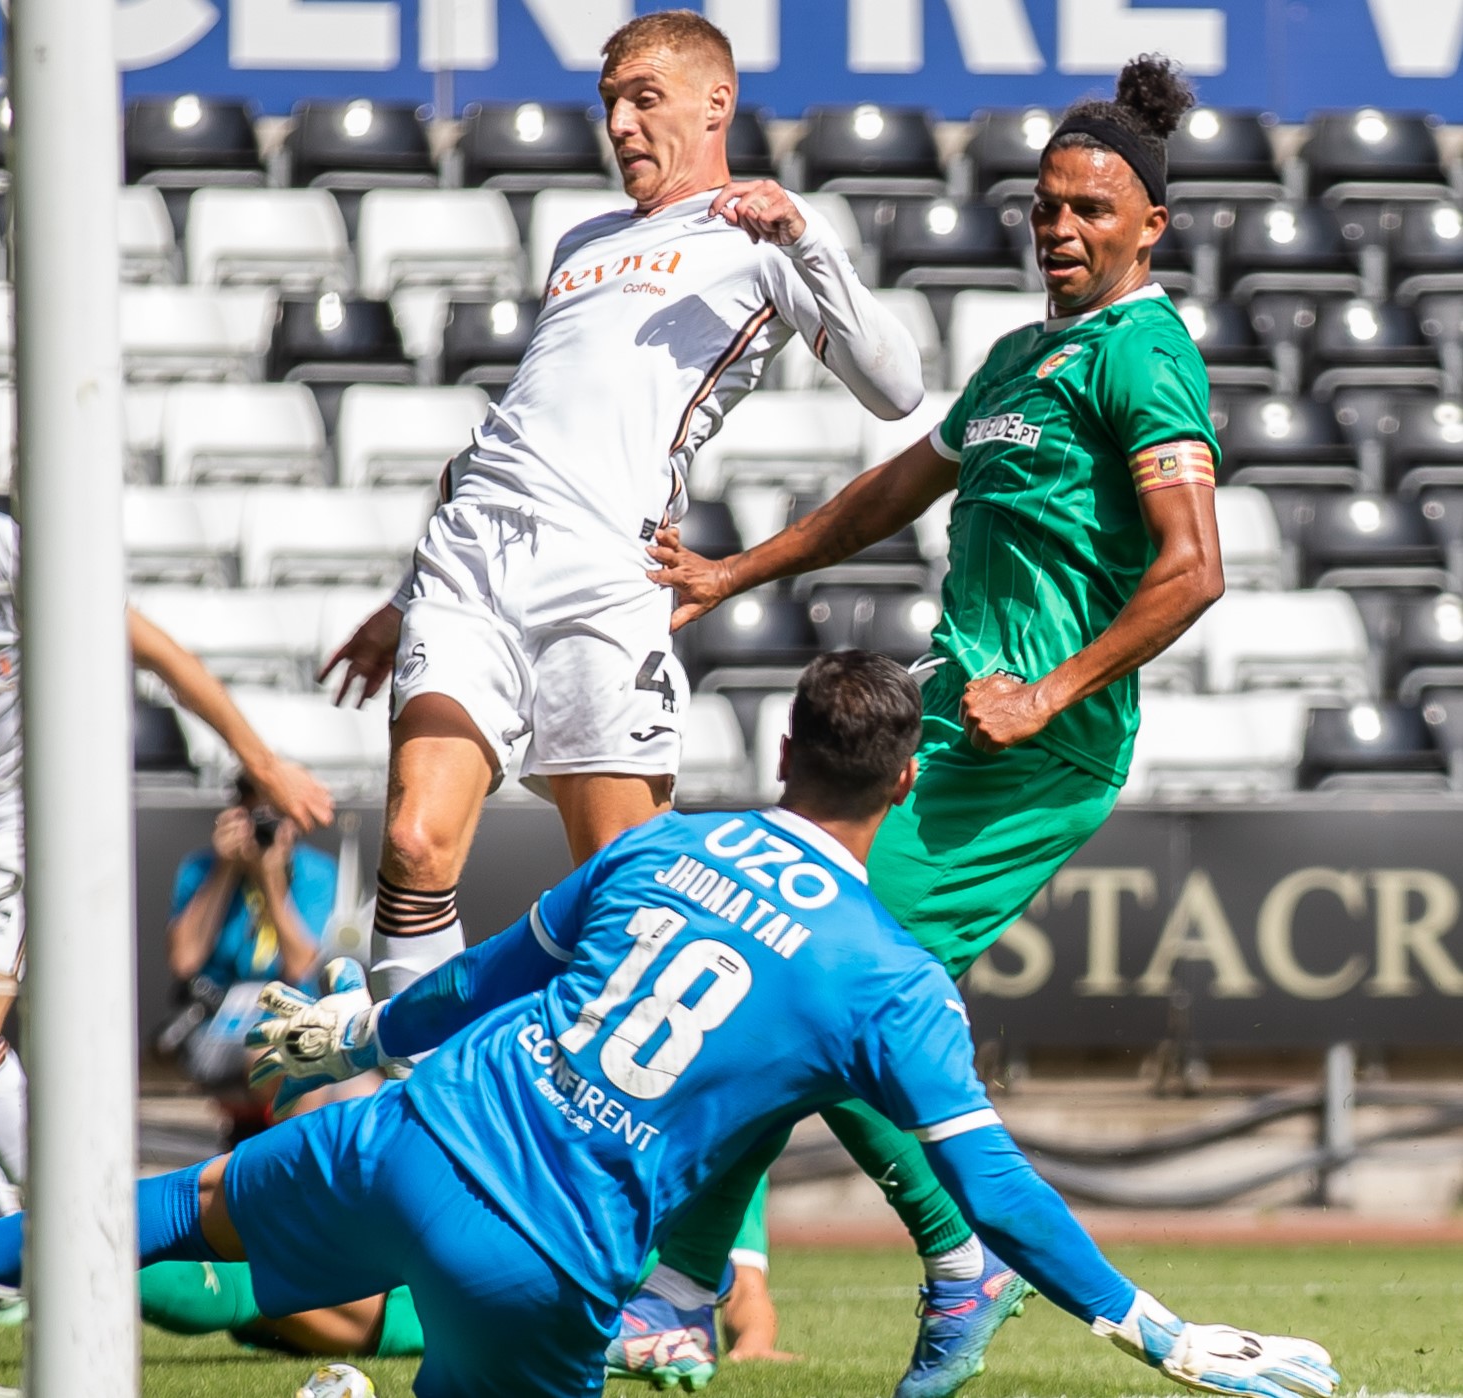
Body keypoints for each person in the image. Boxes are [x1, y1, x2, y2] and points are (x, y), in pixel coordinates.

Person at [0, 653, 1335, 1398]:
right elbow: (991, 1195)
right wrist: (1159, 1331)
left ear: (779, 749)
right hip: (553, 1252)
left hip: (419, 1125)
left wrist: (352, 1033)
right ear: (902, 782)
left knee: (155, 1213)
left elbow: (474, 981)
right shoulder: (890, 978)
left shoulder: (658, 845)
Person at [624, 54, 1226, 1398]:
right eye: (1043, 207)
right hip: (944, 722)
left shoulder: (1144, 354)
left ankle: (739, 1279)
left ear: (1150, 226)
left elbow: (1193, 565)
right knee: (787, 960)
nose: (1059, 229)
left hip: (1030, 749)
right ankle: (720, 1283)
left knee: (808, 974)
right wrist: (734, 572)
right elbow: (893, 486)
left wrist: (1053, 687)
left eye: (1089, 209)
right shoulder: (1023, 356)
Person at [318, 5, 925, 1020]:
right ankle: (412, 1115)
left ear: (714, 101)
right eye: (610, 103)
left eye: (645, 98)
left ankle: (611, 1133)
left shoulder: (765, 234)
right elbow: (532, 418)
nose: (621, 124)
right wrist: (403, 593)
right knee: (415, 844)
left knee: (625, 891)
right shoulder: (582, 240)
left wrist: (805, 236)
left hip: (601, 576)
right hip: (469, 562)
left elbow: (897, 391)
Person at [0, 389, 333, 1238]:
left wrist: (260, 760)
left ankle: (84, 1228)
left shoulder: (12, 554)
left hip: (19, 820)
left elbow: (159, 651)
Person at [160, 772, 338, 1139]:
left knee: (353, 1082)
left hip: (293, 1019)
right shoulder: (201, 868)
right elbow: (184, 961)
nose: (264, 829)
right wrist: (224, 870)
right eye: (256, 815)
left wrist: (270, 877)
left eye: (274, 816)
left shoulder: (314, 872)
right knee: (281, 1060)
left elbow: (300, 964)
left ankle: (288, 1170)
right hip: (218, 1023)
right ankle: (280, 1173)